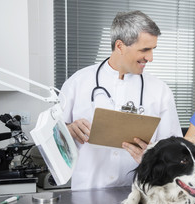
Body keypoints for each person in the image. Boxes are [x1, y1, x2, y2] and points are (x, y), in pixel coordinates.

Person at [60, 10, 182, 190]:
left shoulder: (160, 91)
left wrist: (153, 155)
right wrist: (68, 129)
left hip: (140, 194)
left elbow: (174, 151)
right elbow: (52, 139)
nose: (150, 58)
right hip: (88, 193)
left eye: (152, 49)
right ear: (120, 46)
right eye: (144, 50)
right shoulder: (77, 83)